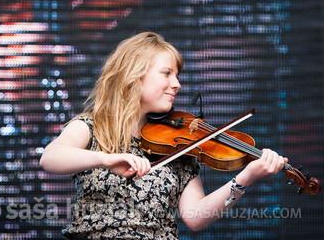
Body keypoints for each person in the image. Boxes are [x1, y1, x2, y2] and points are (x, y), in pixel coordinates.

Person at [40, 31, 287, 239]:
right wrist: (106, 159)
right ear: (134, 76)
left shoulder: (177, 147)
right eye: (167, 73)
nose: (177, 84)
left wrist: (245, 178)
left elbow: (195, 217)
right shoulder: (92, 127)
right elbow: (50, 158)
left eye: (177, 75)